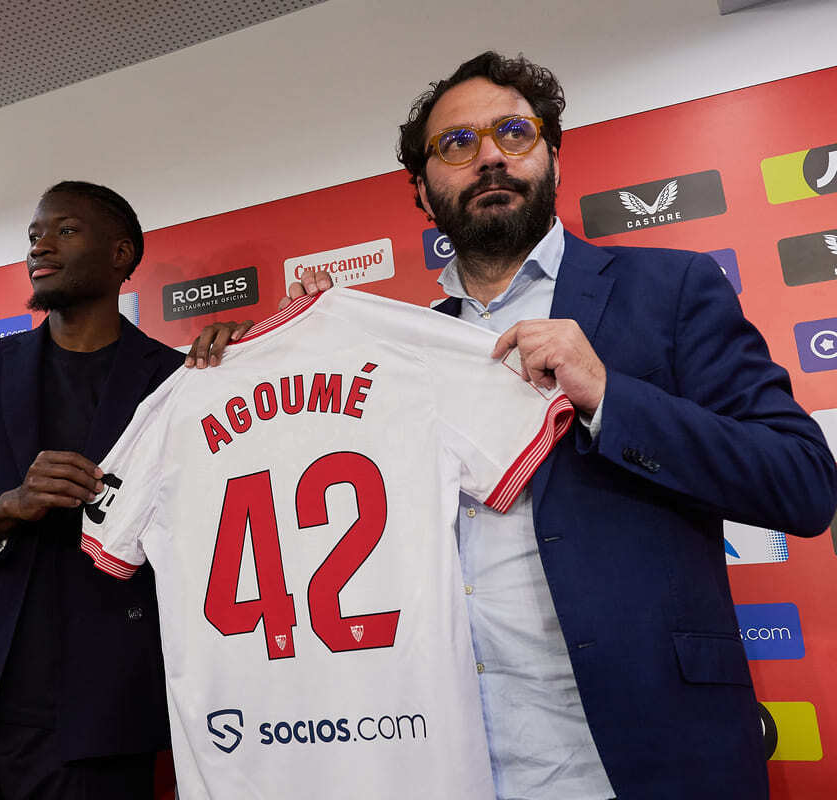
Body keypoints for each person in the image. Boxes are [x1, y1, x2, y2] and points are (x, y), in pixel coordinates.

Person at [185, 52, 837, 799]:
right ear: (422, 192)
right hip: (453, 756)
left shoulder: (672, 288)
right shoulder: (401, 349)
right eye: (457, 144)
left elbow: (804, 483)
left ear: (554, 155)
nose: (490, 155)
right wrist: (279, 356)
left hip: (642, 751)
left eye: (514, 132)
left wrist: (607, 396)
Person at [0, 181, 180, 799]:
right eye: (33, 235)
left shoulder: (176, 382)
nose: (41, 246)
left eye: (66, 230)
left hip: (100, 716)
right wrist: (8, 506)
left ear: (120, 254)